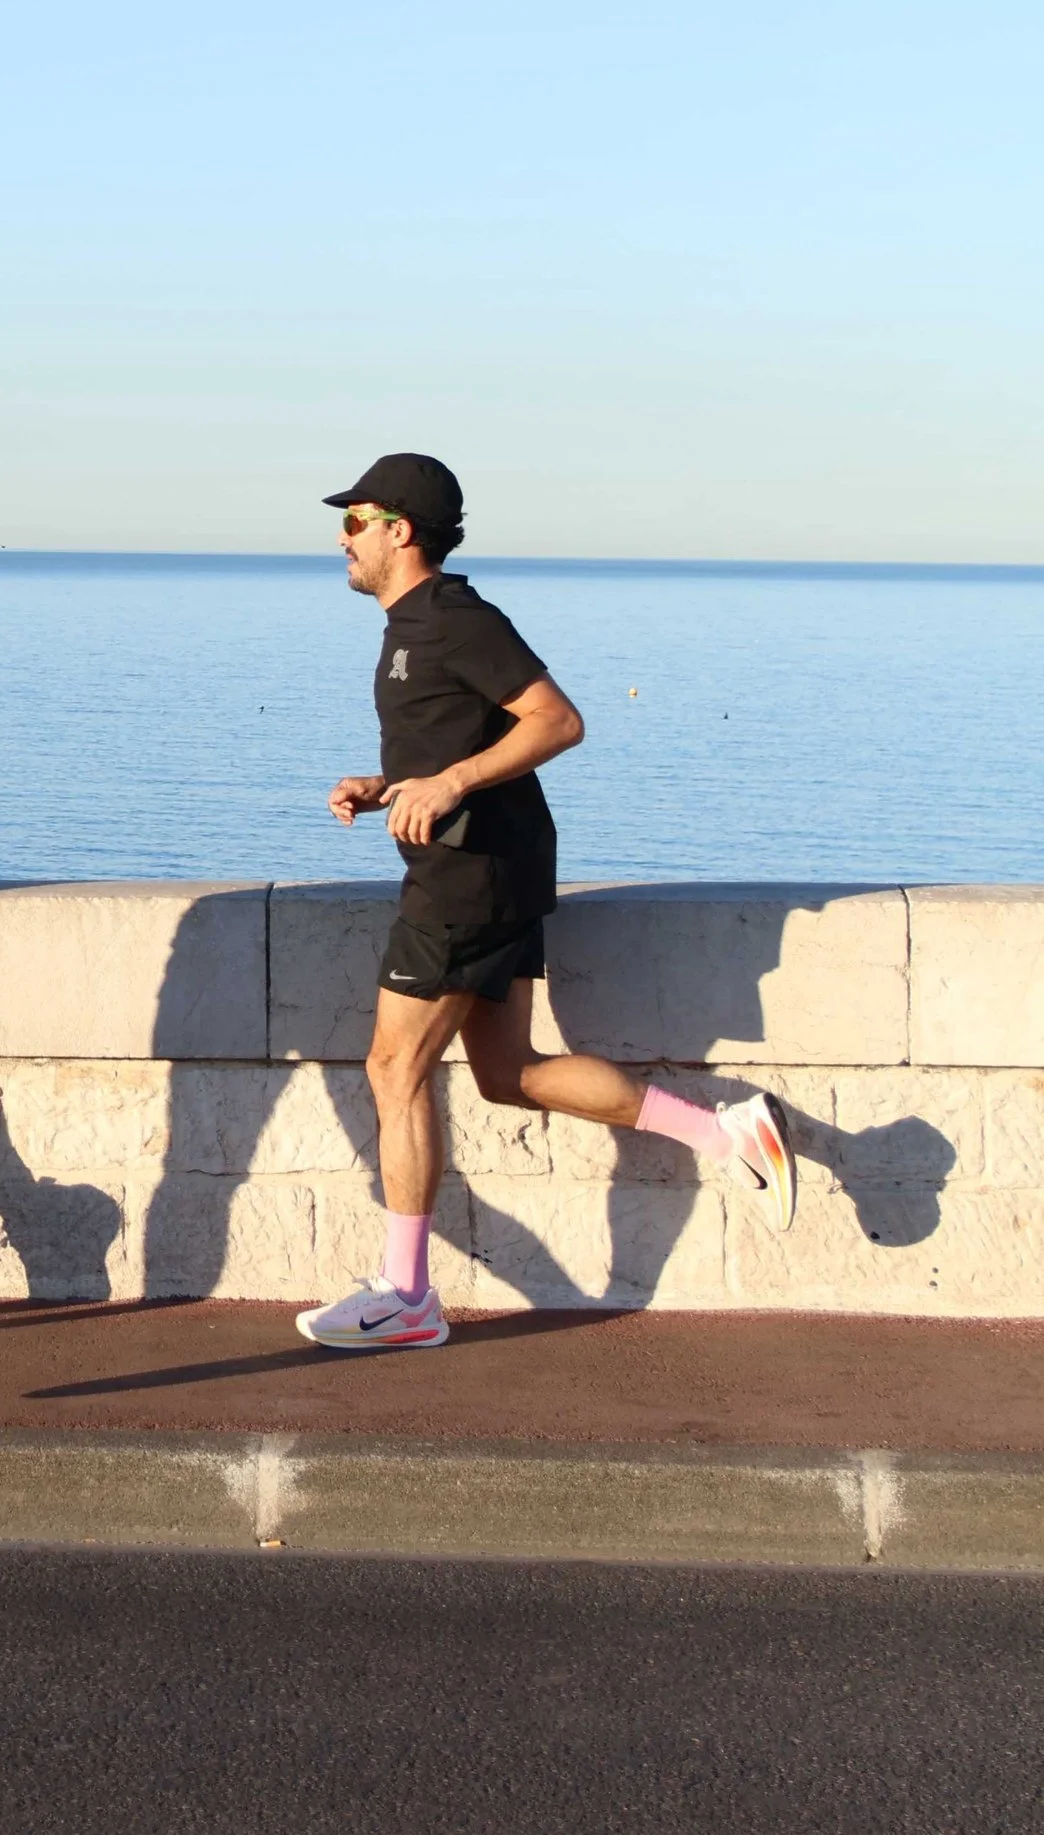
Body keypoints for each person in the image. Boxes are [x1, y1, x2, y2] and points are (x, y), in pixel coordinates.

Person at [296, 450, 797, 1354]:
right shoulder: (413, 626)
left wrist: (449, 783)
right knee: (507, 1073)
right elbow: (459, 741)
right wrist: (391, 785)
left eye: (355, 521)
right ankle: (726, 1134)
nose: (342, 537)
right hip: (489, 866)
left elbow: (558, 721)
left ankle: (406, 1296)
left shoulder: (456, 618)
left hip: (468, 877)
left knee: (392, 1069)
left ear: (400, 531)